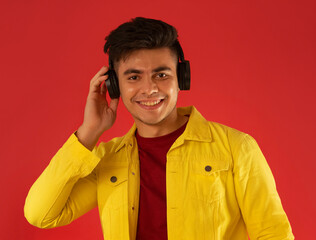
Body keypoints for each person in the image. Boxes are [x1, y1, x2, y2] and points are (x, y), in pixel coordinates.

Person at [24, 17, 294, 240]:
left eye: (161, 75)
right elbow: (41, 213)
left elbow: (273, 233)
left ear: (181, 79)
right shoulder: (106, 160)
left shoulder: (237, 147)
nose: (149, 88)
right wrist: (89, 132)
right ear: (114, 86)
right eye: (133, 77)